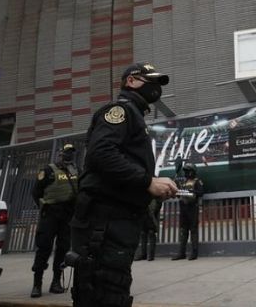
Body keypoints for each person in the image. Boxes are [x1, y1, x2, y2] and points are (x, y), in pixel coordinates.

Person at [70, 63, 178, 307]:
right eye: (151, 80)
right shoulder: (120, 110)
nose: (156, 87)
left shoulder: (135, 115)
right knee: (103, 292)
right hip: (105, 223)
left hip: (117, 221)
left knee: (113, 289)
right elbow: (102, 153)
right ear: (131, 81)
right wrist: (147, 182)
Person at [30, 142, 79, 298]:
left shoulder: (76, 171)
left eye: (71, 153)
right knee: (44, 247)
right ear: (60, 153)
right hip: (51, 214)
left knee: (63, 249)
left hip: (68, 215)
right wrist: (43, 208)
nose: (69, 155)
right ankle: (37, 284)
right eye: (66, 152)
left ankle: (56, 282)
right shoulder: (48, 170)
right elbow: (36, 192)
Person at [172, 162, 204, 261]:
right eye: (185, 171)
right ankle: (181, 253)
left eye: (187, 171)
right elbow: (179, 194)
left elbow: (201, 192)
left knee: (193, 231)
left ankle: (194, 253)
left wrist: (191, 192)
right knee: (183, 231)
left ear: (192, 172)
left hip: (192, 208)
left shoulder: (197, 181)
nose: (186, 173)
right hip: (183, 209)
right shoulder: (184, 182)